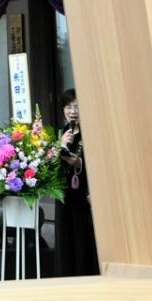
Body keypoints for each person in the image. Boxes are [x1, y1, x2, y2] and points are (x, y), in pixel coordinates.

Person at [55, 89, 98, 276]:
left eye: (77, 106)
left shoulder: (92, 132)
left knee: (82, 239)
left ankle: (83, 275)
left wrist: (79, 162)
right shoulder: (63, 132)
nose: (72, 111)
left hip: (83, 195)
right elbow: (50, 163)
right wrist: (58, 145)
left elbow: (98, 163)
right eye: (68, 106)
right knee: (65, 239)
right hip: (64, 194)